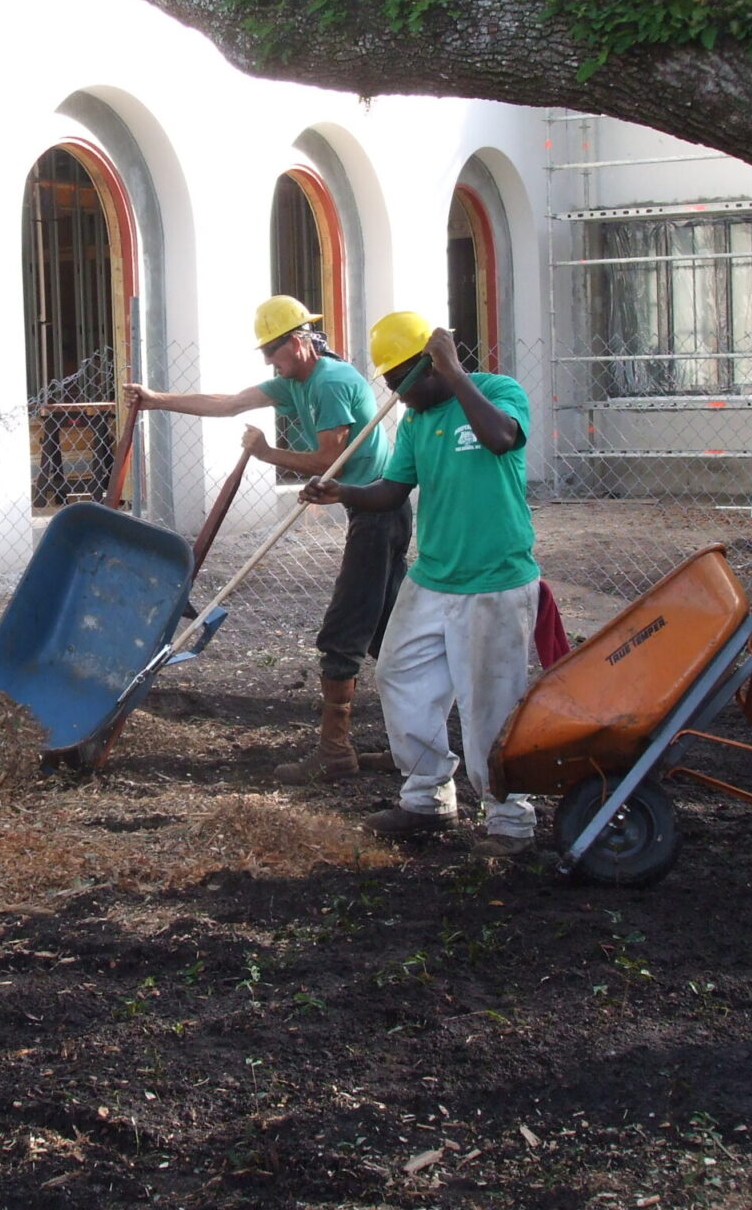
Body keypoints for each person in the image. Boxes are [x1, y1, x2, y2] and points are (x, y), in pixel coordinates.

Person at [124, 295, 410, 783]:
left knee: (345, 631)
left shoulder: (331, 383)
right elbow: (230, 403)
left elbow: (326, 460)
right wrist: (157, 400)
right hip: (370, 510)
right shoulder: (292, 381)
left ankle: (336, 753)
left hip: (378, 513)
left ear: (299, 343)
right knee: (391, 632)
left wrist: (266, 453)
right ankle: (414, 748)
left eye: (273, 351)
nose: (268, 361)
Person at [302, 312, 541, 857]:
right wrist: (340, 491)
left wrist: (456, 374)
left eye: (402, 381)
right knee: (399, 672)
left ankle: (510, 819)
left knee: (489, 702)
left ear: (433, 364)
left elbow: (503, 439)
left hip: (495, 578)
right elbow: (390, 490)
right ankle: (427, 797)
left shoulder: (496, 392)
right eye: (388, 384)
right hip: (433, 577)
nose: (398, 397)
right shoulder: (415, 423)